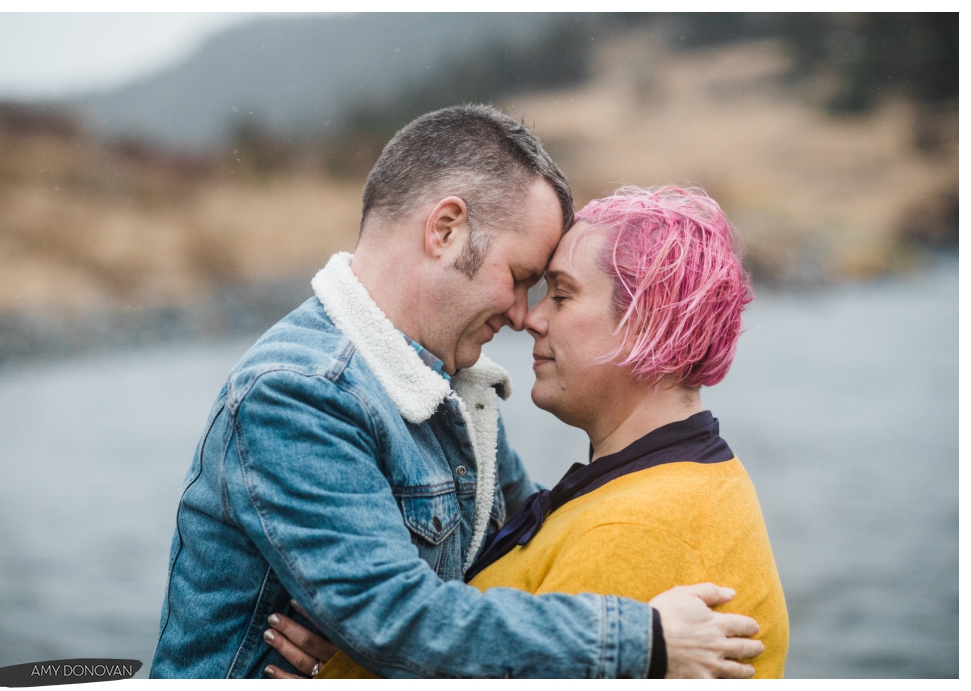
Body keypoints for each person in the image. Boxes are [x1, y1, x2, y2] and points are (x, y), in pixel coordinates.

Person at [150, 106, 764, 679]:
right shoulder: (299, 392)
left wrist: (351, 644)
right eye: (523, 278)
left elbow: (521, 547)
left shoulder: (444, 388)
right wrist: (644, 641)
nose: (525, 317)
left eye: (552, 290)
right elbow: (394, 616)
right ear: (445, 229)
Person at [266, 186, 788, 678]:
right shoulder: (654, 486)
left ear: (649, 324)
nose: (531, 319)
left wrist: (344, 670)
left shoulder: (637, 533)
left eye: (561, 296)